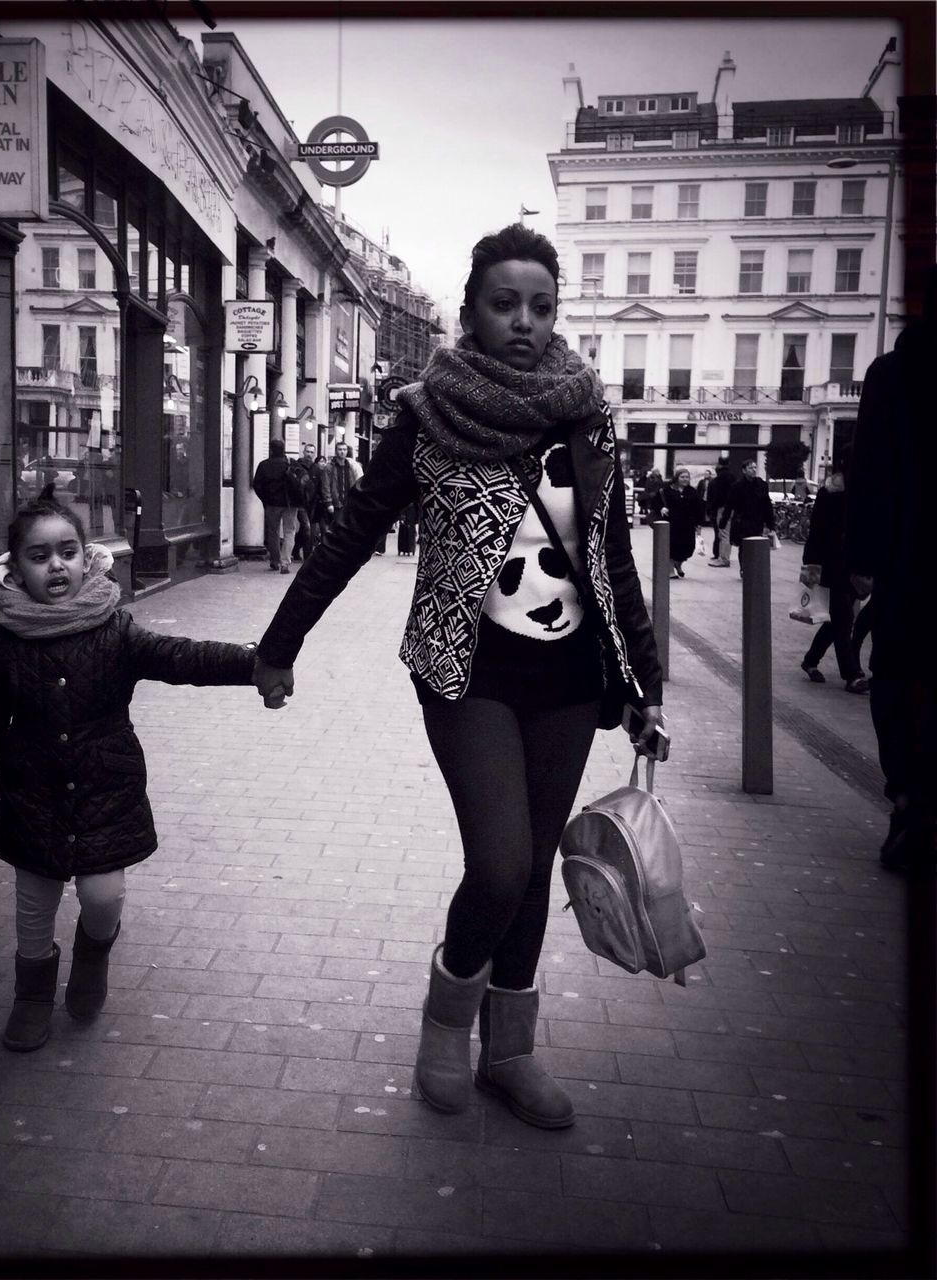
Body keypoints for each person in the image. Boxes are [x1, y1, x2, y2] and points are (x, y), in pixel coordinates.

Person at [250, 224, 664, 1128]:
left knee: (530, 866)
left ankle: (508, 1052)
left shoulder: (587, 418)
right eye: (504, 303)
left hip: (567, 681)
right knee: (501, 862)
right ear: (471, 311)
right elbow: (352, 533)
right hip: (464, 670)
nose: (524, 320)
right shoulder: (428, 420)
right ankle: (445, 1026)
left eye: (541, 306)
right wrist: (279, 646)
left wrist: (645, 683)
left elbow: (614, 560)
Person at [0, 486, 257, 1051]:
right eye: (39, 557)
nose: (55, 565)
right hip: (31, 794)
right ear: (15, 569)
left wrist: (256, 665)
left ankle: (93, 955)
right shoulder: (8, 640)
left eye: (67, 551)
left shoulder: (114, 628)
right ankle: (32, 995)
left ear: (87, 559)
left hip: (104, 790)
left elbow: (180, 657)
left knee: (102, 894)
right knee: (34, 903)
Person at [846, 265, 937, 874]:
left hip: (913, 565)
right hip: (909, 562)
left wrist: (864, 560)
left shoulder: (895, 373)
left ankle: (907, 796)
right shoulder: (894, 374)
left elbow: (870, 474)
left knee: (897, 679)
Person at [798, 462, 870, 694]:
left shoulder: (862, 491)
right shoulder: (829, 492)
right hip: (831, 564)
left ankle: (810, 660)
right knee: (844, 619)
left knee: (836, 621)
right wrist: (810, 562)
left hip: (853, 565)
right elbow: (817, 529)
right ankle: (852, 675)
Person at [716, 459, 773, 574]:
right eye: (750, 468)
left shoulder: (761, 485)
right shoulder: (737, 486)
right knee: (743, 545)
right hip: (742, 521)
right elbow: (729, 505)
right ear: (744, 470)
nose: (753, 470)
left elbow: (767, 504)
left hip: (757, 520)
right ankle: (744, 568)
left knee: (755, 545)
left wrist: (770, 523)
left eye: (755, 467)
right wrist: (723, 522)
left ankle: (752, 567)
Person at [252, 437, 299, 573]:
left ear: (271, 449)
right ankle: (285, 562)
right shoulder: (291, 463)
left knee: (273, 532)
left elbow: (257, 485)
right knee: (290, 531)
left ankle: (275, 560)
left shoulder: (264, 465)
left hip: (272, 503)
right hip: (290, 503)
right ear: (284, 449)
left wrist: (265, 499)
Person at [661, 466, 705, 578]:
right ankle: (670, 570)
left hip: (688, 525)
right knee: (672, 547)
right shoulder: (667, 490)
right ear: (676, 478)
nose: (685, 479)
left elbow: (699, 507)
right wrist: (661, 508)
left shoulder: (692, 491)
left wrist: (699, 523)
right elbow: (656, 502)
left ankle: (678, 563)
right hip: (672, 524)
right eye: (682, 477)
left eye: (687, 477)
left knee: (688, 548)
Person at [705, 461, 735, 566]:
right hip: (732, 508)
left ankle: (724, 558)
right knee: (727, 534)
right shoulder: (732, 478)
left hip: (721, 509)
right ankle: (725, 556)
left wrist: (711, 510)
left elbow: (713, 498)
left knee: (723, 534)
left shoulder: (716, 481)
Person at [325, 439, 363, 524]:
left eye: (344, 449)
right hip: (336, 504)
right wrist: (328, 503)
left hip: (348, 503)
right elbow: (326, 486)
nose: (342, 452)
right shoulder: (329, 467)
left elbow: (354, 483)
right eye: (340, 449)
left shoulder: (350, 466)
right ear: (336, 451)